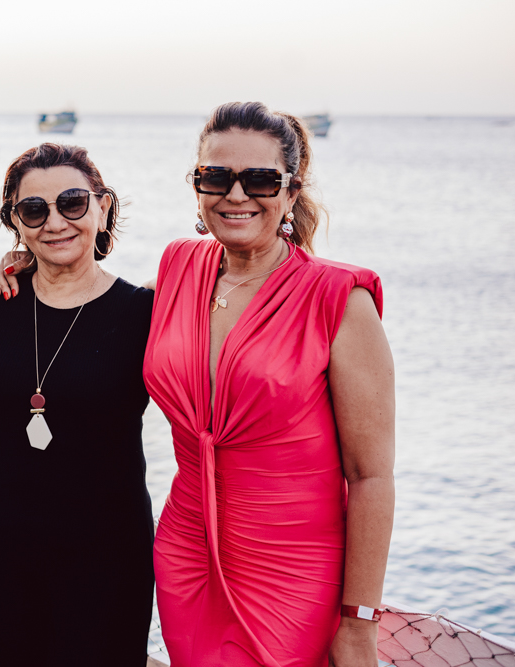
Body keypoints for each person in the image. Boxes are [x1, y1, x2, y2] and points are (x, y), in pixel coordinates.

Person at [143, 102, 395, 667]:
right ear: (196, 185)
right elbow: (93, 312)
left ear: (290, 190)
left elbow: (371, 475)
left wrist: (358, 624)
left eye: (259, 178)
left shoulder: (339, 302)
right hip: (187, 552)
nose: (236, 195)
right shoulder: (177, 268)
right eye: (215, 176)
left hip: (292, 569)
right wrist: (28, 265)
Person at [0, 143, 156, 666]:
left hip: (107, 557)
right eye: (33, 210)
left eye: (73, 203)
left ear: (103, 207)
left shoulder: (144, 314)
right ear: (16, 222)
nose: (55, 222)